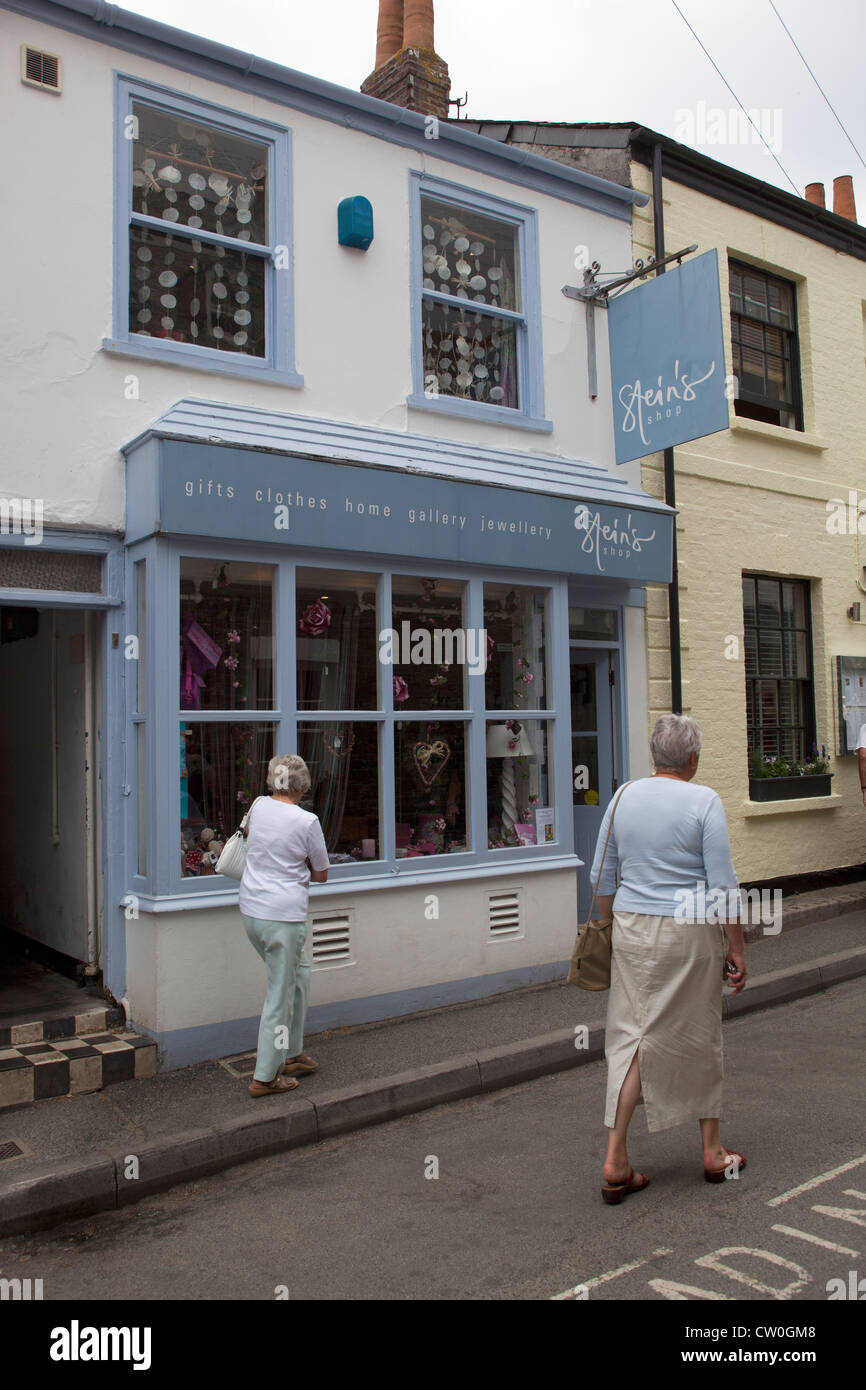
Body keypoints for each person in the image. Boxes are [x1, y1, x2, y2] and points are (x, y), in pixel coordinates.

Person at [587, 714, 747, 1204]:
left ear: (655, 757)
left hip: (633, 928)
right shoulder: (704, 801)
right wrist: (736, 948)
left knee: (632, 1037)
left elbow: (603, 878)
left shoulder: (622, 797)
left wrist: (617, 928)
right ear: (693, 759)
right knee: (699, 1033)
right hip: (689, 930)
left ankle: (616, 1160)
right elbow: (722, 887)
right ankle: (713, 1152)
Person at [239, 754, 329, 1097]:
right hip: (282, 918)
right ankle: (265, 1076)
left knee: (299, 975)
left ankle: (290, 1053)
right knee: (279, 993)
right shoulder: (306, 821)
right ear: (303, 785)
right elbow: (321, 875)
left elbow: (254, 842)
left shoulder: (259, 806)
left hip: (252, 911)